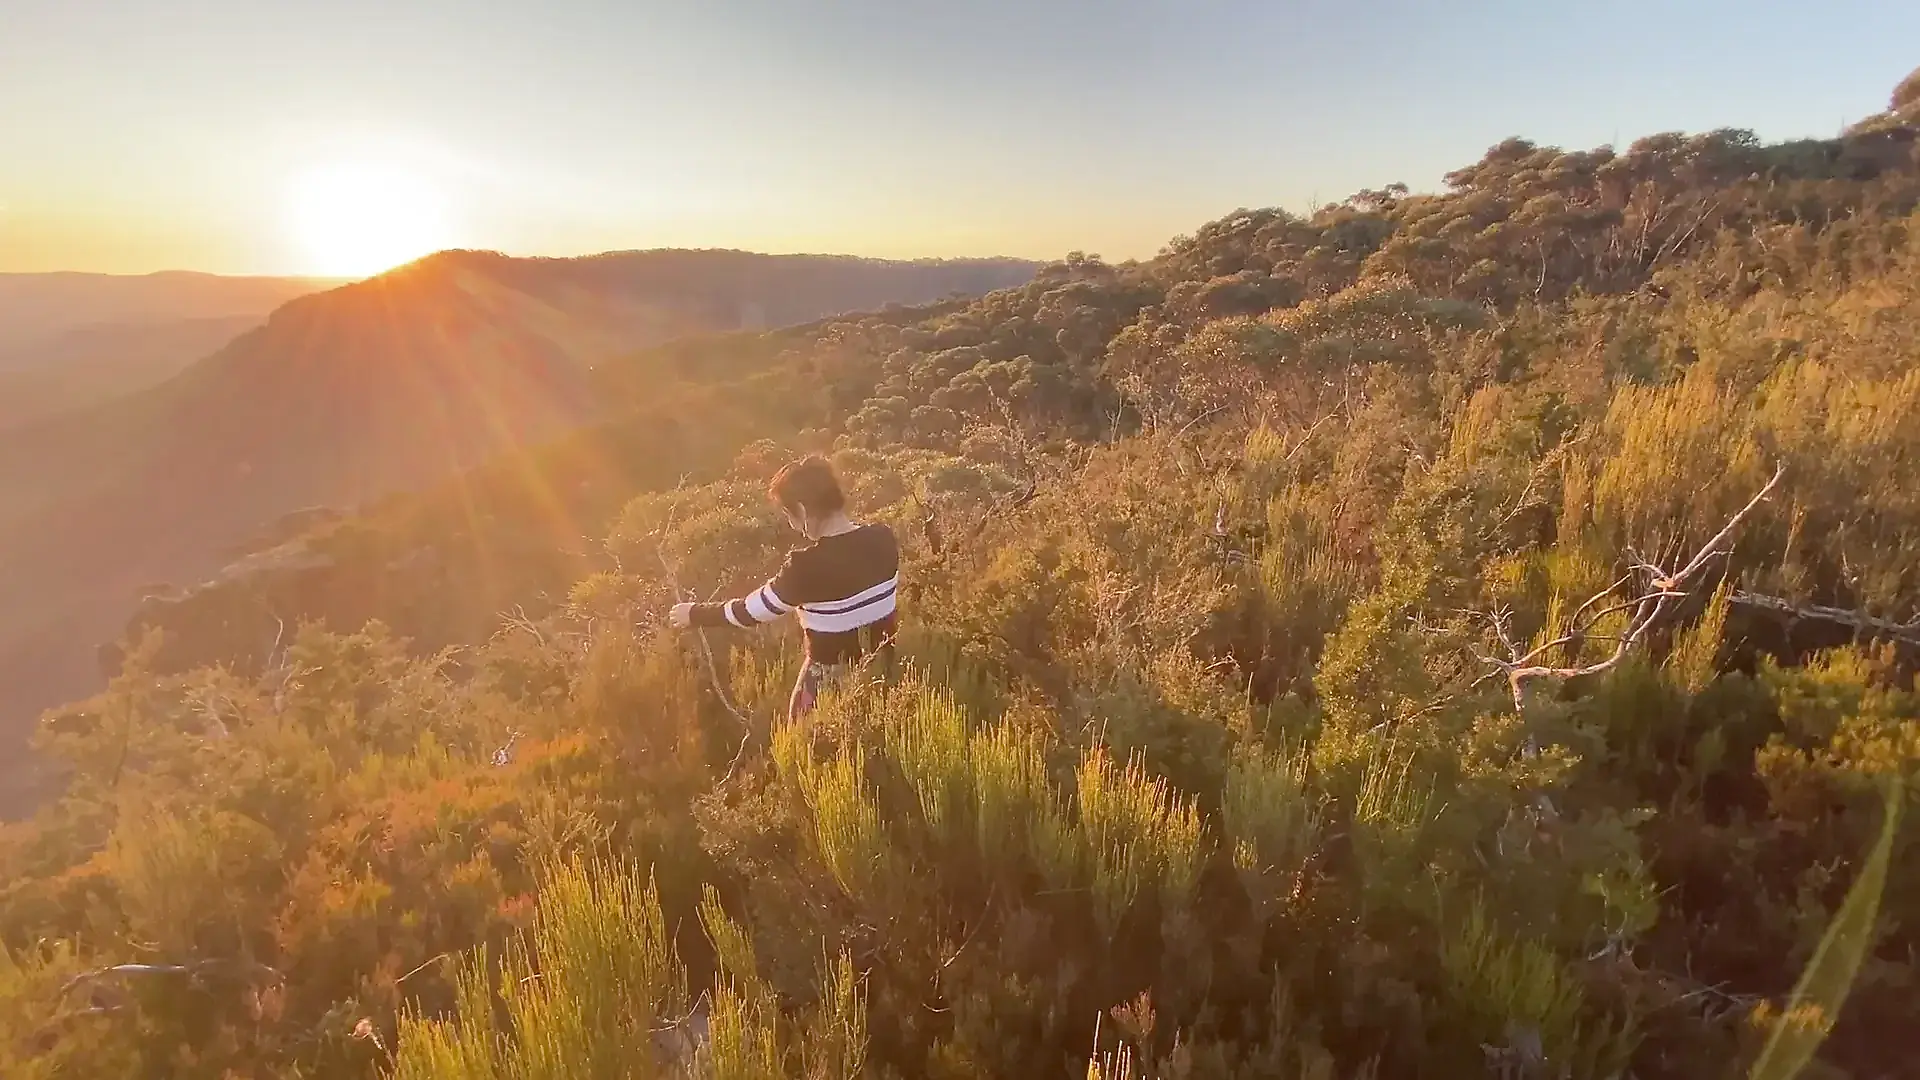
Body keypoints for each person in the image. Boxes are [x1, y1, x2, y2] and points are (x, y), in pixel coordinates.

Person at [669, 455, 899, 720]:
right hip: (886, 674)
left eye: (789, 515)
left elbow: (750, 612)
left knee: (810, 744)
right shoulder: (884, 537)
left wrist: (694, 614)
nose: (792, 525)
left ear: (801, 510)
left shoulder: (805, 567)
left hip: (828, 688)